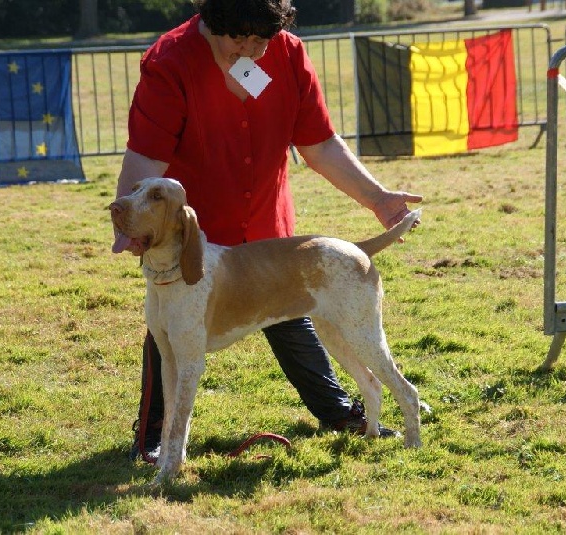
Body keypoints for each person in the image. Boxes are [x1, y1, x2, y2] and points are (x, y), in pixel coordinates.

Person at [114, 0, 423, 463]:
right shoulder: (170, 61)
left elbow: (318, 144)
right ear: (211, 22)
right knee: (171, 333)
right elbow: (145, 159)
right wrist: (130, 226)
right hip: (197, 240)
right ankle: (154, 435)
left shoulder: (285, 54)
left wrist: (377, 198)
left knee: (295, 319)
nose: (254, 52)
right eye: (241, 40)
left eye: (263, 40)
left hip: (266, 227)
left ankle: (340, 411)